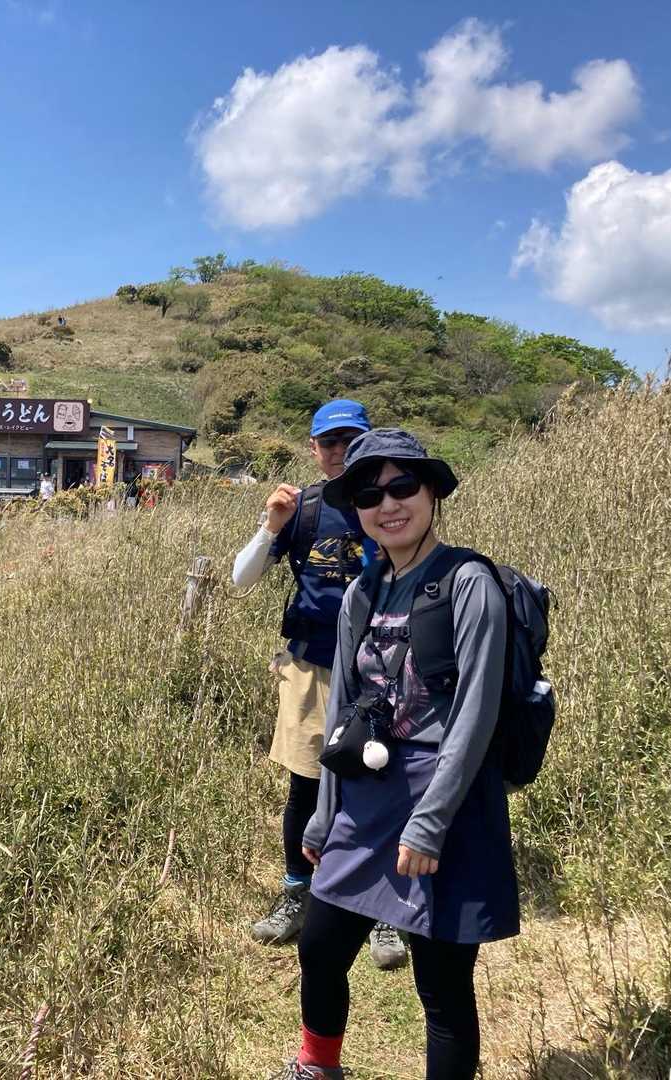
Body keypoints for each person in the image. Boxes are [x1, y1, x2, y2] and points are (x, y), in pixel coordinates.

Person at [273, 428, 518, 1080]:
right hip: (366, 796)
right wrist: (324, 814)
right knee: (321, 946)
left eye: (402, 486)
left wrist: (430, 823)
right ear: (355, 509)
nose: (388, 504)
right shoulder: (363, 592)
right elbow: (343, 711)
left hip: (447, 799)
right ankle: (317, 1068)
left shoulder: (469, 584)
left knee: (441, 985)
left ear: (432, 491)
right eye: (369, 494)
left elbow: (476, 716)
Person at [232, 399, 406, 970]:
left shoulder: (388, 503)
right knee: (306, 784)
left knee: (385, 782)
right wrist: (271, 524)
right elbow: (240, 579)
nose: (339, 451)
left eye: (350, 441)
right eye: (329, 442)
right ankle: (297, 893)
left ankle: (385, 908)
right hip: (311, 666)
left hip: (384, 667)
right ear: (313, 448)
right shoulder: (303, 508)